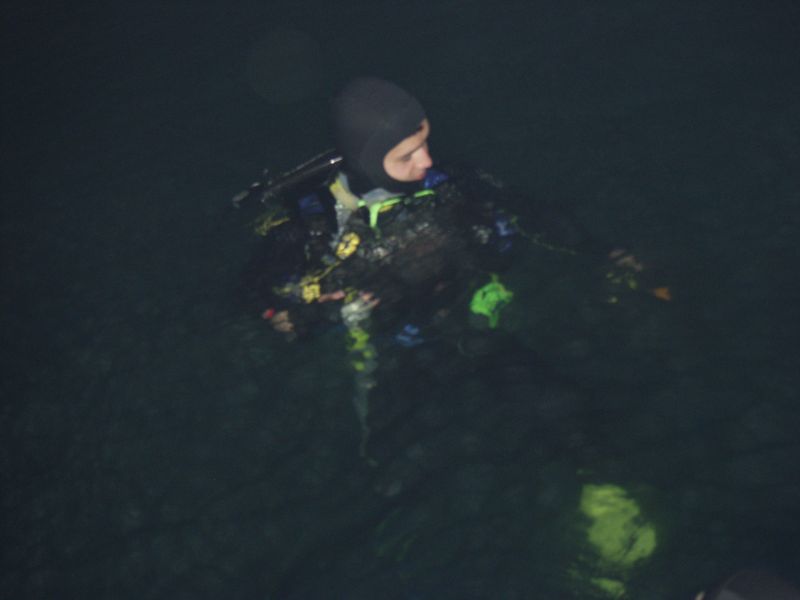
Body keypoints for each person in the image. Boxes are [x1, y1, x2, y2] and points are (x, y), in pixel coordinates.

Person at [241, 77, 638, 343]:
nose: (428, 161)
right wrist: (293, 317)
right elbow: (256, 294)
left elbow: (526, 209)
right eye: (408, 156)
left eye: (425, 142)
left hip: (487, 289)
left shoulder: (447, 178)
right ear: (368, 162)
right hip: (419, 336)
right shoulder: (313, 225)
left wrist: (601, 250)